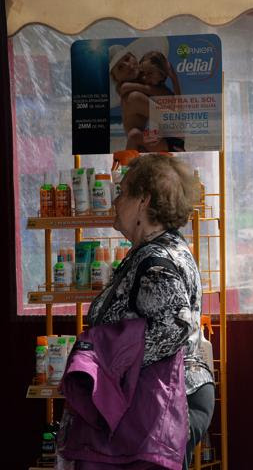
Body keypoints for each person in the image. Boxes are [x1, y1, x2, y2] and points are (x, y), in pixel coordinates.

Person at [86, 153, 214, 469]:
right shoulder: (164, 248)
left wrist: (115, 367)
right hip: (168, 401)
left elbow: (173, 328)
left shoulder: (156, 261)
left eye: (123, 192)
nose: (116, 201)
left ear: (144, 201)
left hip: (159, 407)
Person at [109, 45, 183, 152]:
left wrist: (141, 87)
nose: (127, 66)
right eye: (120, 67)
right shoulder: (131, 95)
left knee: (134, 134)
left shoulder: (145, 83)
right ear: (115, 78)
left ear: (134, 57)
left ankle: (126, 165)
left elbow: (173, 113)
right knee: (134, 133)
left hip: (168, 142)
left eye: (127, 59)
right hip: (159, 142)